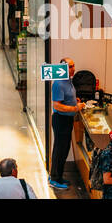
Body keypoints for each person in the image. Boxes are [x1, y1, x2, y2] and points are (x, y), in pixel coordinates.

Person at [48, 58, 82, 190]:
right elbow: (57, 105)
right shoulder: (59, 83)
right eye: (71, 66)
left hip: (67, 121)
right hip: (60, 120)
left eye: (73, 66)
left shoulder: (69, 81)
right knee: (59, 150)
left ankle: (58, 175)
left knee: (64, 149)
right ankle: (54, 178)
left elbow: (67, 98)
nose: (73, 69)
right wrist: (75, 108)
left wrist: (75, 101)